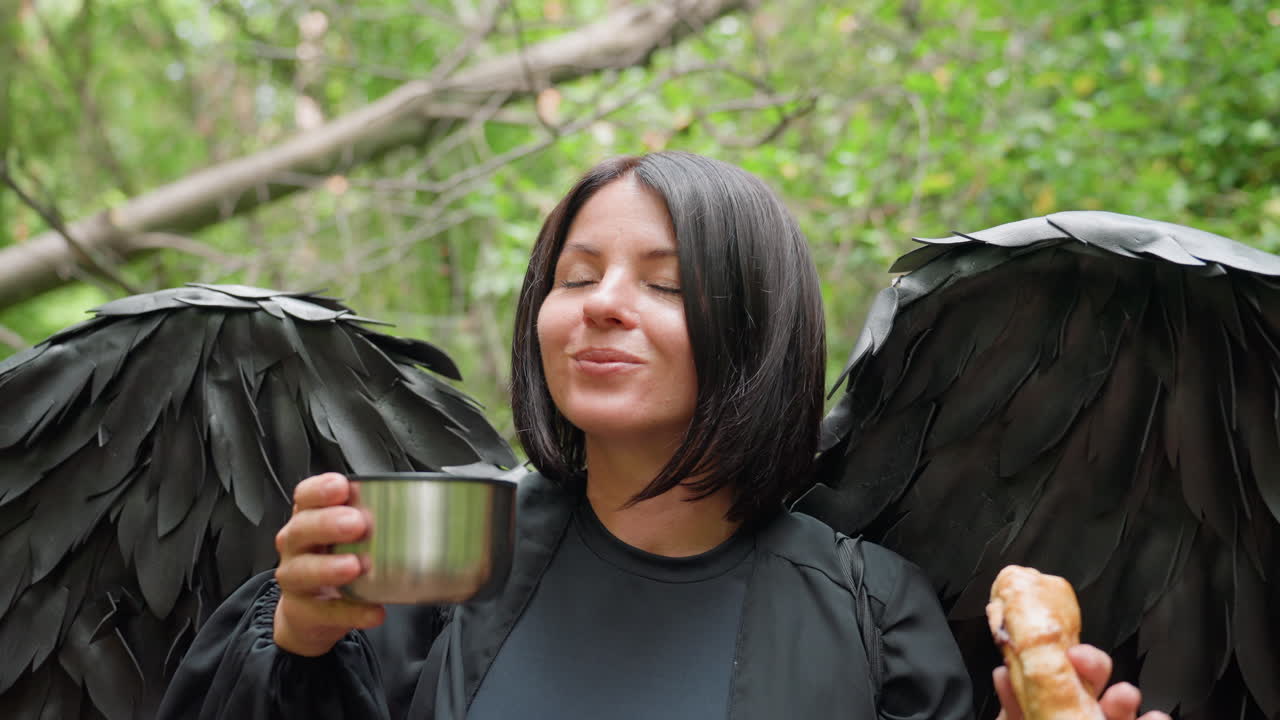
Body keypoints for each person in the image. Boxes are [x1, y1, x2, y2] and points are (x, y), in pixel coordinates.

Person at [158, 152, 1168, 720]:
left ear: (754, 331)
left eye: (663, 285)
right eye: (573, 275)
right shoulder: (436, 551)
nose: (600, 306)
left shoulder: (872, 615)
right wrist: (297, 643)